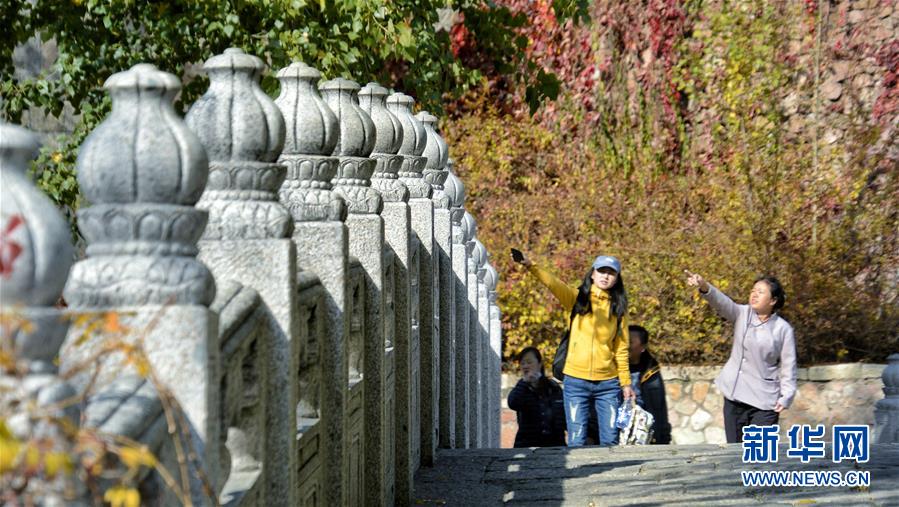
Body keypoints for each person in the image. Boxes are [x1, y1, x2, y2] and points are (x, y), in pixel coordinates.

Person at [511, 249, 635, 447]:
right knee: (576, 439)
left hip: (608, 384)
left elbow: (621, 348)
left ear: (617, 278)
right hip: (576, 381)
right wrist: (530, 266)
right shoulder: (578, 299)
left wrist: (626, 383)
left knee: (610, 440)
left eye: (611, 273)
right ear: (592, 274)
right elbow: (553, 284)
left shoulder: (618, 308)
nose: (605, 276)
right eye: (601, 271)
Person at [685, 270, 797, 443]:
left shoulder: (783, 329)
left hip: (764, 401)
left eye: (760, 292)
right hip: (735, 396)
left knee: (760, 455)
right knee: (736, 455)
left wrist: (787, 395)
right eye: (753, 291)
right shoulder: (742, 313)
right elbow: (722, 303)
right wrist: (704, 285)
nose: (754, 295)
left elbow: (788, 366)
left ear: (773, 300)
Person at [506, 347, 566, 447]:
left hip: (554, 444)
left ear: (539, 364)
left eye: (529, 362)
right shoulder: (521, 387)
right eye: (522, 363)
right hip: (526, 444)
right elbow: (513, 403)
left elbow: (561, 414)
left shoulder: (553, 387)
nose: (525, 366)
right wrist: (524, 382)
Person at [627, 325, 671, 444]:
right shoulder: (611, 369)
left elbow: (659, 408)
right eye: (623, 340)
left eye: (630, 342)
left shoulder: (651, 372)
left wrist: (663, 436)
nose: (625, 346)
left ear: (643, 347)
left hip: (643, 429)